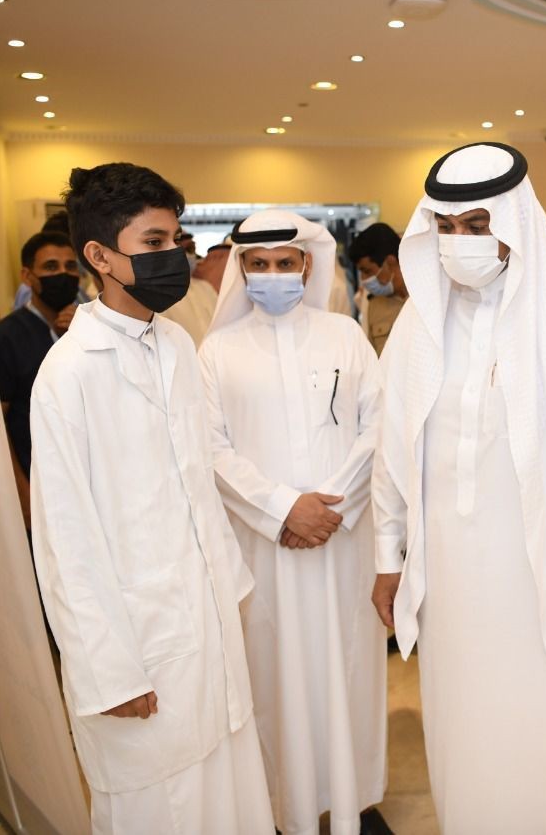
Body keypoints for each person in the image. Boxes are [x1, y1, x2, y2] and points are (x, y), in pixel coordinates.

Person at [370, 142, 546, 833]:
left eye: (477, 225)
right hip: (453, 587)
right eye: (446, 227)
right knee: (469, 739)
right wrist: (389, 556)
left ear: (514, 221)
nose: (460, 242)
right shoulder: (421, 320)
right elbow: (391, 449)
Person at [29, 162, 273, 834]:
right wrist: (108, 670)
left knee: (228, 792)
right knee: (161, 806)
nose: (174, 257)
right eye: (154, 242)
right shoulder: (68, 375)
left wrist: (230, 592)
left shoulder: (175, 344)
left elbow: (197, 487)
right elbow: (64, 537)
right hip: (138, 644)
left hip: (206, 620)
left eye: (176, 240)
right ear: (100, 256)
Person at [198, 209, 390, 835]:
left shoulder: (345, 336)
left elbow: (378, 427)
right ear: (242, 269)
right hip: (266, 547)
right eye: (259, 264)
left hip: (341, 539)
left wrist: (328, 509)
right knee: (274, 675)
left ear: (307, 266)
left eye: (285, 263)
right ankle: (287, 809)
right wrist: (283, 508)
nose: (273, 274)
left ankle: (353, 802)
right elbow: (210, 448)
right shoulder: (217, 350)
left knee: (349, 668)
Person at [0, 231, 79, 528]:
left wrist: (78, 336)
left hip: (84, 477)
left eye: (70, 266)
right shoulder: (5, 338)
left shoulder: (87, 328)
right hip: (38, 482)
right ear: (27, 276)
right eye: (51, 267)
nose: (62, 274)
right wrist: (22, 492)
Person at [346, 222, 409, 355]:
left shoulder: (429, 297)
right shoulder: (373, 305)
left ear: (390, 262)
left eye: (367, 271)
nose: (364, 280)